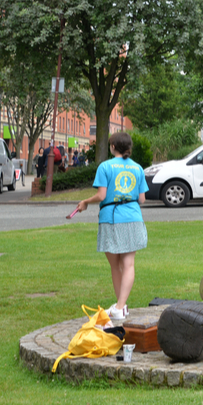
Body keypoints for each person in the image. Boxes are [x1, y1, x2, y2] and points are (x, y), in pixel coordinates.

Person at [74, 132, 148, 322]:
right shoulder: (138, 168)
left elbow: (101, 195)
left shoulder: (105, 166)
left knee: (115, 266)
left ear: (113, 146)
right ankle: (120, 306)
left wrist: (84, 202)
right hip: (133, 217)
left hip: (111, 218)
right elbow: (142, 199)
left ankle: (120, 307)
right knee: (129, 263)